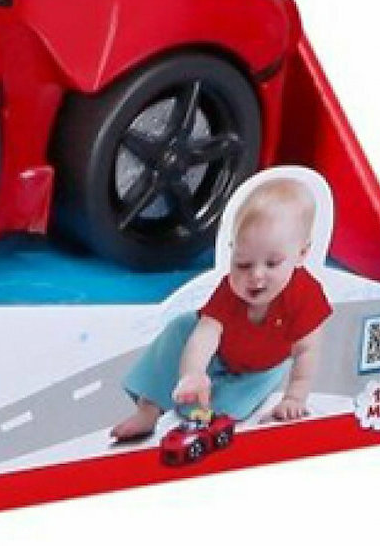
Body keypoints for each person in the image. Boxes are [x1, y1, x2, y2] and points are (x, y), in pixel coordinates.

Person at [111, 176, 332, 441]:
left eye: (272, 264)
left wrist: (294, 398)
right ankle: (149, 408)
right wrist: (192, 373)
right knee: (182, 326)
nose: (256, 275)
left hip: (260, 370)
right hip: (220, 354)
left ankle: (207, 409)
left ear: (302, 254)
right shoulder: (230, 289)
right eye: (243, 264)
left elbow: (307, 350)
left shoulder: (304, 294)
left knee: (230, 406)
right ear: (232, 251)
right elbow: (206, 333)